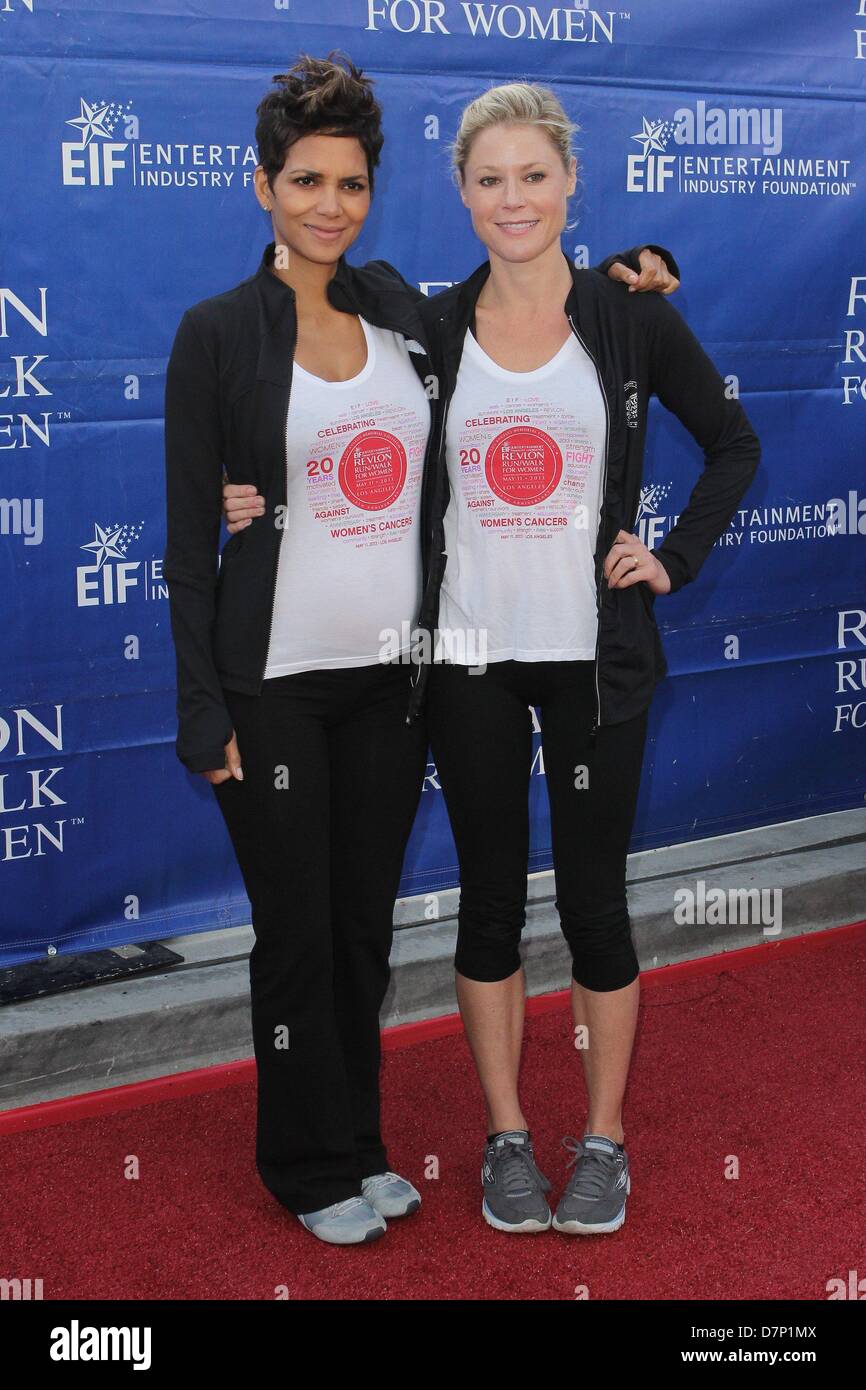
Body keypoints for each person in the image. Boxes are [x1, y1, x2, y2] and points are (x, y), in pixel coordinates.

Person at [174, 54, 678, 1246]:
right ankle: (301, 1165)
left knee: (357, 927)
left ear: (370, 193)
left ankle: (358, 1143)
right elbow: (187, 545)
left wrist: (637, 274)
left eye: (348, 183)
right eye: (304, 181)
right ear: (263, 189)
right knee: (296, 935)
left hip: (392, 683)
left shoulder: (397, 306)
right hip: (273, 683)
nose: (327, 205)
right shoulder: (217, 335)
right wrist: (206, 712)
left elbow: (541, 300)